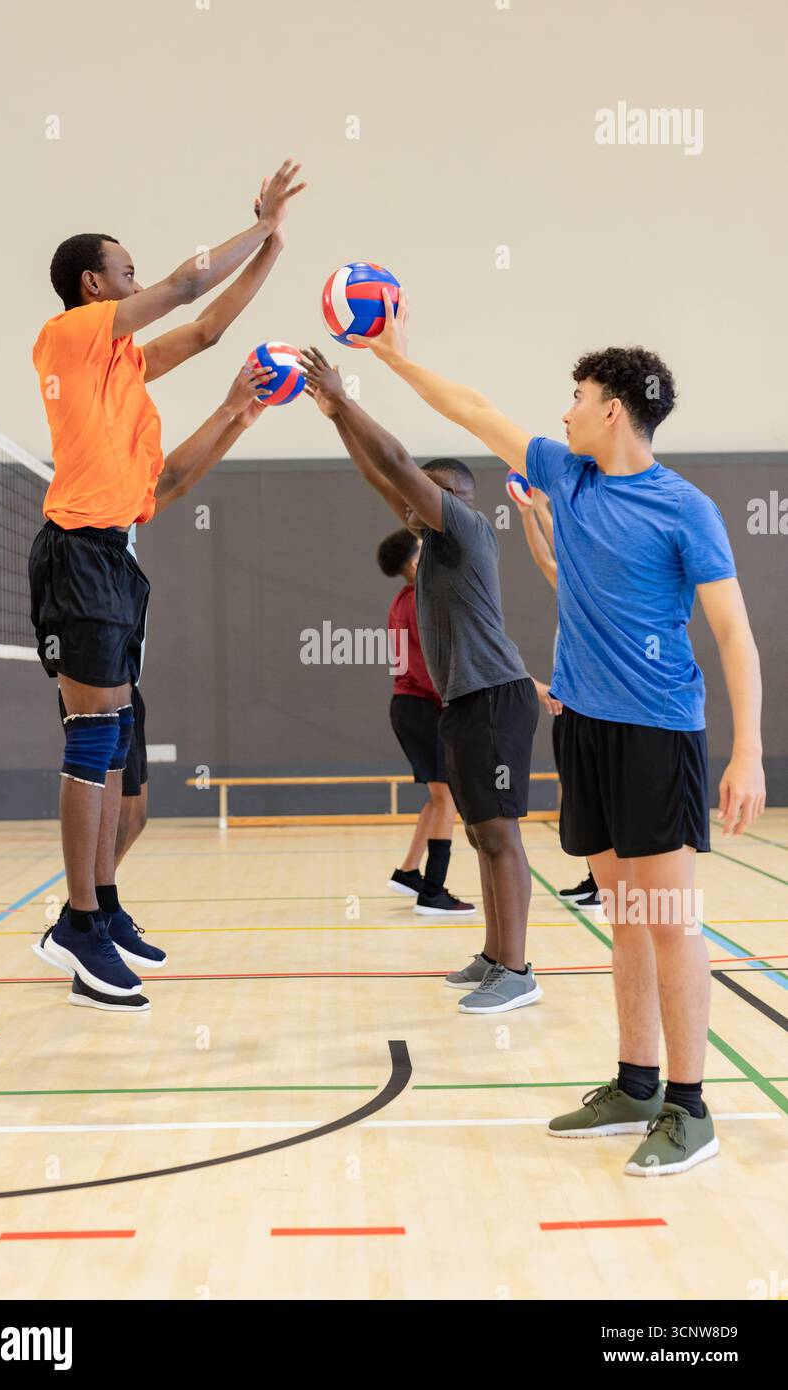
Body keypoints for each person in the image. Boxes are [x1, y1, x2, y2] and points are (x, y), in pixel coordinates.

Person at [349, 289, 765, 1175]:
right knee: (621, 917)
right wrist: (391, 357)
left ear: (612, 409)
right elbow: (473, 408)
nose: (563, 409)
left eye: (576, 396)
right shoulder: (565, 476)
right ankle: (635, 1083)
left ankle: (691, 1110)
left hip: (657, 735)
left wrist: (747, 752)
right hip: (584, 728)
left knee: (668, 920)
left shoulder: (683, 508)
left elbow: (733, 631)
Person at [29, 160, 305, 1010]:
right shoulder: (70, 337)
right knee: (92, 738)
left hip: (115, 558)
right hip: (77, 552)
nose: (137, 281)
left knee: (112, 743)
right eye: (125, 271)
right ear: (93, 284)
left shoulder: (124, 380)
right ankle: (74, 926)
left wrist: (272, 250)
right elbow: (189, 285)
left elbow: (209, 328)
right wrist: (256, 223)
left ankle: (100, 908)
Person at [302, 347, 542, 1016]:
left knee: (500, 835)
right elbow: (384, 476)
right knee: (477, 834)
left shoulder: (463, 528)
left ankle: (517, 969)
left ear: (457, 495)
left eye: (427, 493)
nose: (411, 503)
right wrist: (333, 418)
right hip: (464, 702)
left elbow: (400, 467)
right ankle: (496, 955)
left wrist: (347, 398)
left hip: (494, 699)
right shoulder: (431, 540)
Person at [377, 528, 474, 917]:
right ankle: (433, 891)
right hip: (421, 706)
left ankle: (408, 871)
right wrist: (454, 701)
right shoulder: (421, 600)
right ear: (417, 563)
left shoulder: (404, 598)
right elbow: (424, 668)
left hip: (409, 706)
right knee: (446, 796)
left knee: (438, 796)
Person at [512, 487, 599, 910]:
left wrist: (543, 509)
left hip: (598, 704)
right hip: (570, 701)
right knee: (579, 789)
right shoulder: (571, 594)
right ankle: (596, 874)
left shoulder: (600, 595)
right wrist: (527, 512)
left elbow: (563, 550)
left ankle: (609, 880)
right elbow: (545, 560)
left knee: (599, 789)